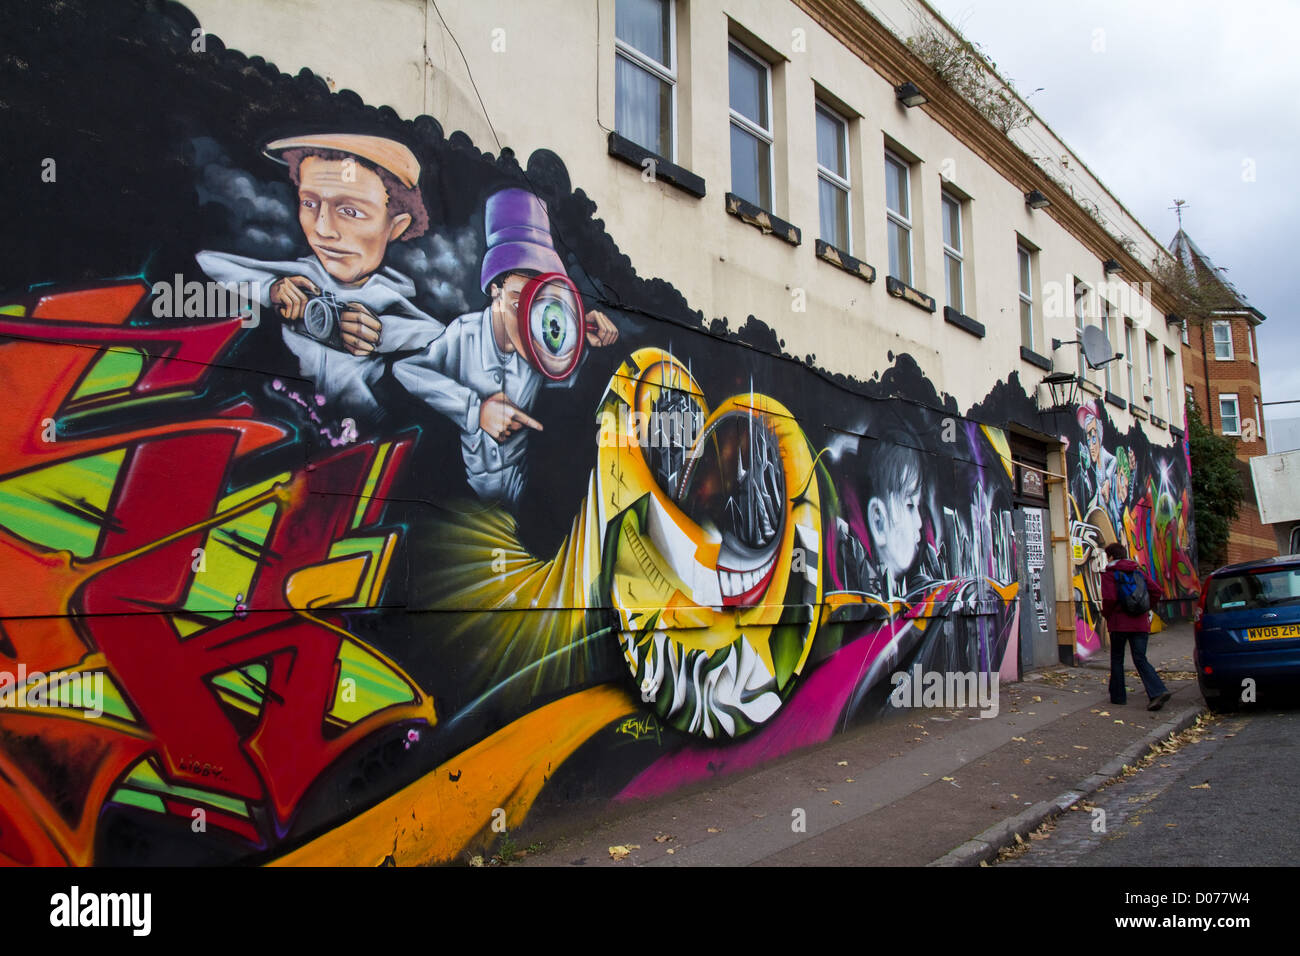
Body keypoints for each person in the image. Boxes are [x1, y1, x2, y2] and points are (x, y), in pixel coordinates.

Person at [393, 188, 617, 509]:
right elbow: (407, 370)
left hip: (520, 495)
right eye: (517, 301)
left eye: (538, 300)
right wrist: (475, 410)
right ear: (495, 288)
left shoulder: (539, 343)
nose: (528, 316)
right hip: (466, 494)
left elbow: (564, 374)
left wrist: (583, 337)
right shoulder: (464, 335)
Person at [197, 133, 444, 421]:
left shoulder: (394, 304)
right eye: (310, 204)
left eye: (350, 211)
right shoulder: (300, 276)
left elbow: (442, 340)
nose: (323, 229)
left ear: (396, 227)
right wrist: (272, 290)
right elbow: (208, 263)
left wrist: (379, 333)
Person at [1101, 541, 1171, 710]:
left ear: (1110, 556)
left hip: (1119, 623)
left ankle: (1118, 697)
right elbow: (1156, 591)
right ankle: (1157, 691)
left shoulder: (1109, 574)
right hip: (1140, 623)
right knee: (1140, 658)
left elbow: (1110, 599)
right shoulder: (1137, 571)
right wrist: (1145, 607)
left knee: (1117, 659)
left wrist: (1107, 614)